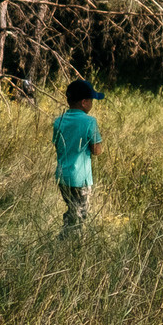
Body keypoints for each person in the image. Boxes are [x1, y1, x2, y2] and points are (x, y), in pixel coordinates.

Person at [52, 78, 105, 232]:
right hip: (80, 179)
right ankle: (67, 240)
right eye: (91, 100)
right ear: (84, 102)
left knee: (72, 209)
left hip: (62, 176)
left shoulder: (58, 121)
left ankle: (66, 238)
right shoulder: (90, 122)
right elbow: (97, 151)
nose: (92, 103)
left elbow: (57, 145)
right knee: (80, 216)